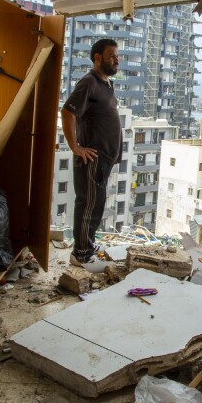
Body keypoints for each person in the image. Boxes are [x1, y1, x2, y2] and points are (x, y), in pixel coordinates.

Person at [61, 38, 122, 270]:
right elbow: (67, 112)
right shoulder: (89, 82)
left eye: (117, 56)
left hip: (104, 159)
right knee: (88, 205)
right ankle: (81, 254)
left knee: (96, 206)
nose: (116, 60)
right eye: (111, 56)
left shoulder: (105, 83)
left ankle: (87, 244)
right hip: (92, 159)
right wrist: (75, 147)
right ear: (97, 58)